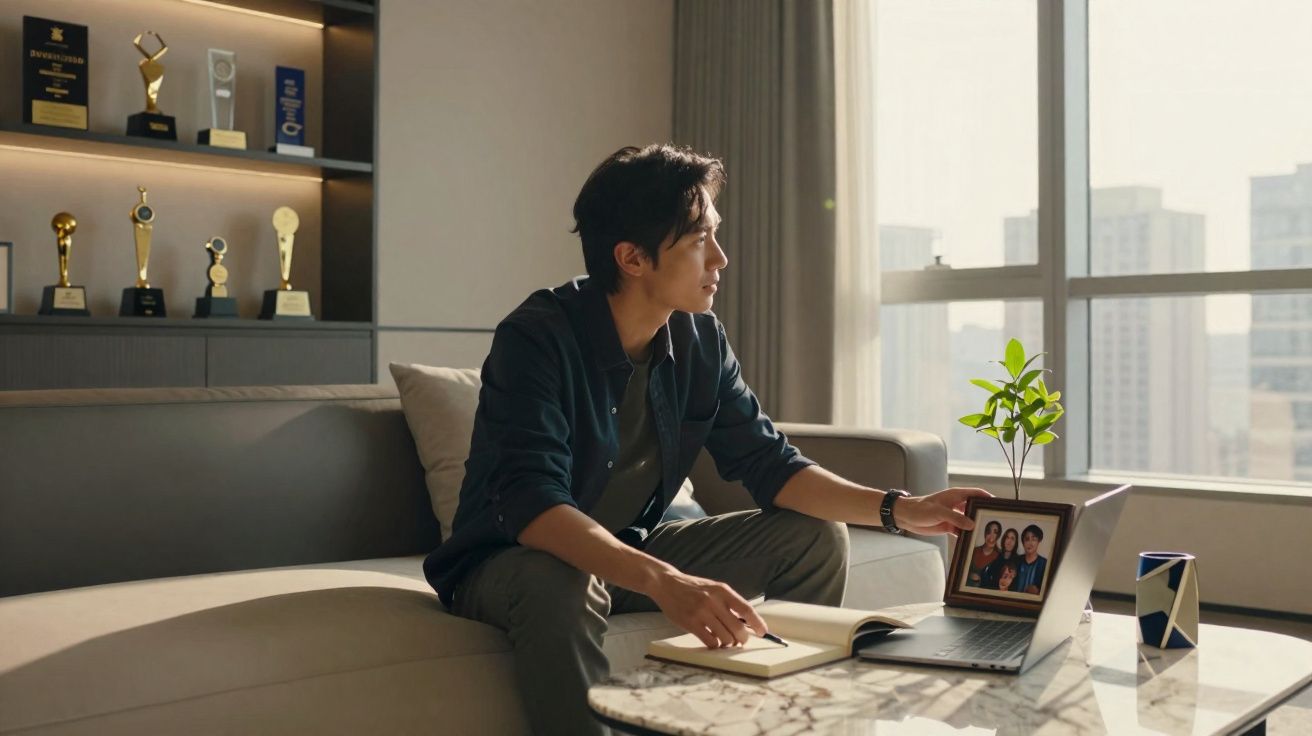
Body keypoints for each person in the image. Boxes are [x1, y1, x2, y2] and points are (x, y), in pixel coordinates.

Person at [422, 144, 991, 735]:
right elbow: (532, 505)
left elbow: (772, 464)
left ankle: (790, 723)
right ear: (633, 258)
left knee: (814, 538)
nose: (721, 258)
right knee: (560, 578)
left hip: (629, 548)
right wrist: (665, 581)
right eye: (699, 241)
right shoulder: (537, 339)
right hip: (508, 563)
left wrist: (901, 509)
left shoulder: (701, 339)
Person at [1015, 524, 1049, 595]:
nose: (1030, 543)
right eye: (1027, 539)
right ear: (1023, 543)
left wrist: (1038, 592)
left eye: (1034, 539)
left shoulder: (1045, 564)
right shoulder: (1016, 561)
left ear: (1038, 542)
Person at [966, 520, 1002, 586]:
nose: (991, 536)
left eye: (995, 532)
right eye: (988, 532)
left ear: (998, 535)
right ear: (985, 533)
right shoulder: (974, 551)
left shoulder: (1000, 556)